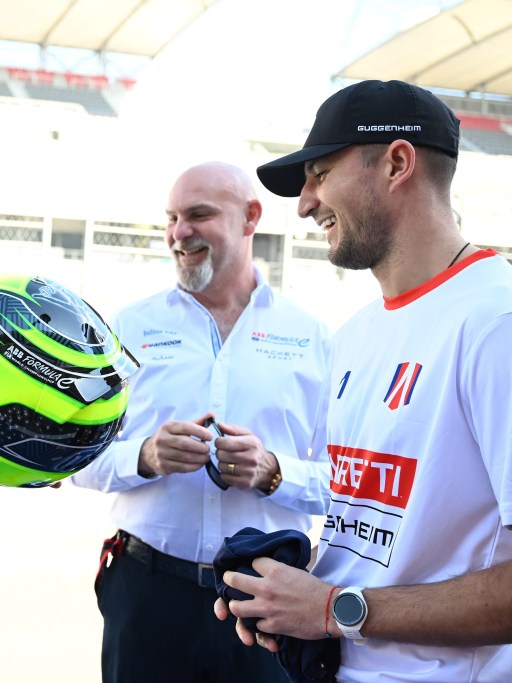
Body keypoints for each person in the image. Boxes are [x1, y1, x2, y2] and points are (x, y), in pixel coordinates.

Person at [215, 79, 512, 682]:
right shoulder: (353, 334)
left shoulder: (494, 322)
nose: (303, 203)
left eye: (320, 173)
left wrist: (332, 610)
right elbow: (373, 528)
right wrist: (291, 592)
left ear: (398, 163)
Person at [71, 161, 333, 682]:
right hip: (147, 593)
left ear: (250, 217)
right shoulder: (127, 327)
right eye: (172, 217)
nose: (178, 232)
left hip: (266, 598)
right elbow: (77, 458)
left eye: (199, 215)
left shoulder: (311, 337)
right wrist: (144, 457)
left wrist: (272, 471)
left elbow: (348, 483)